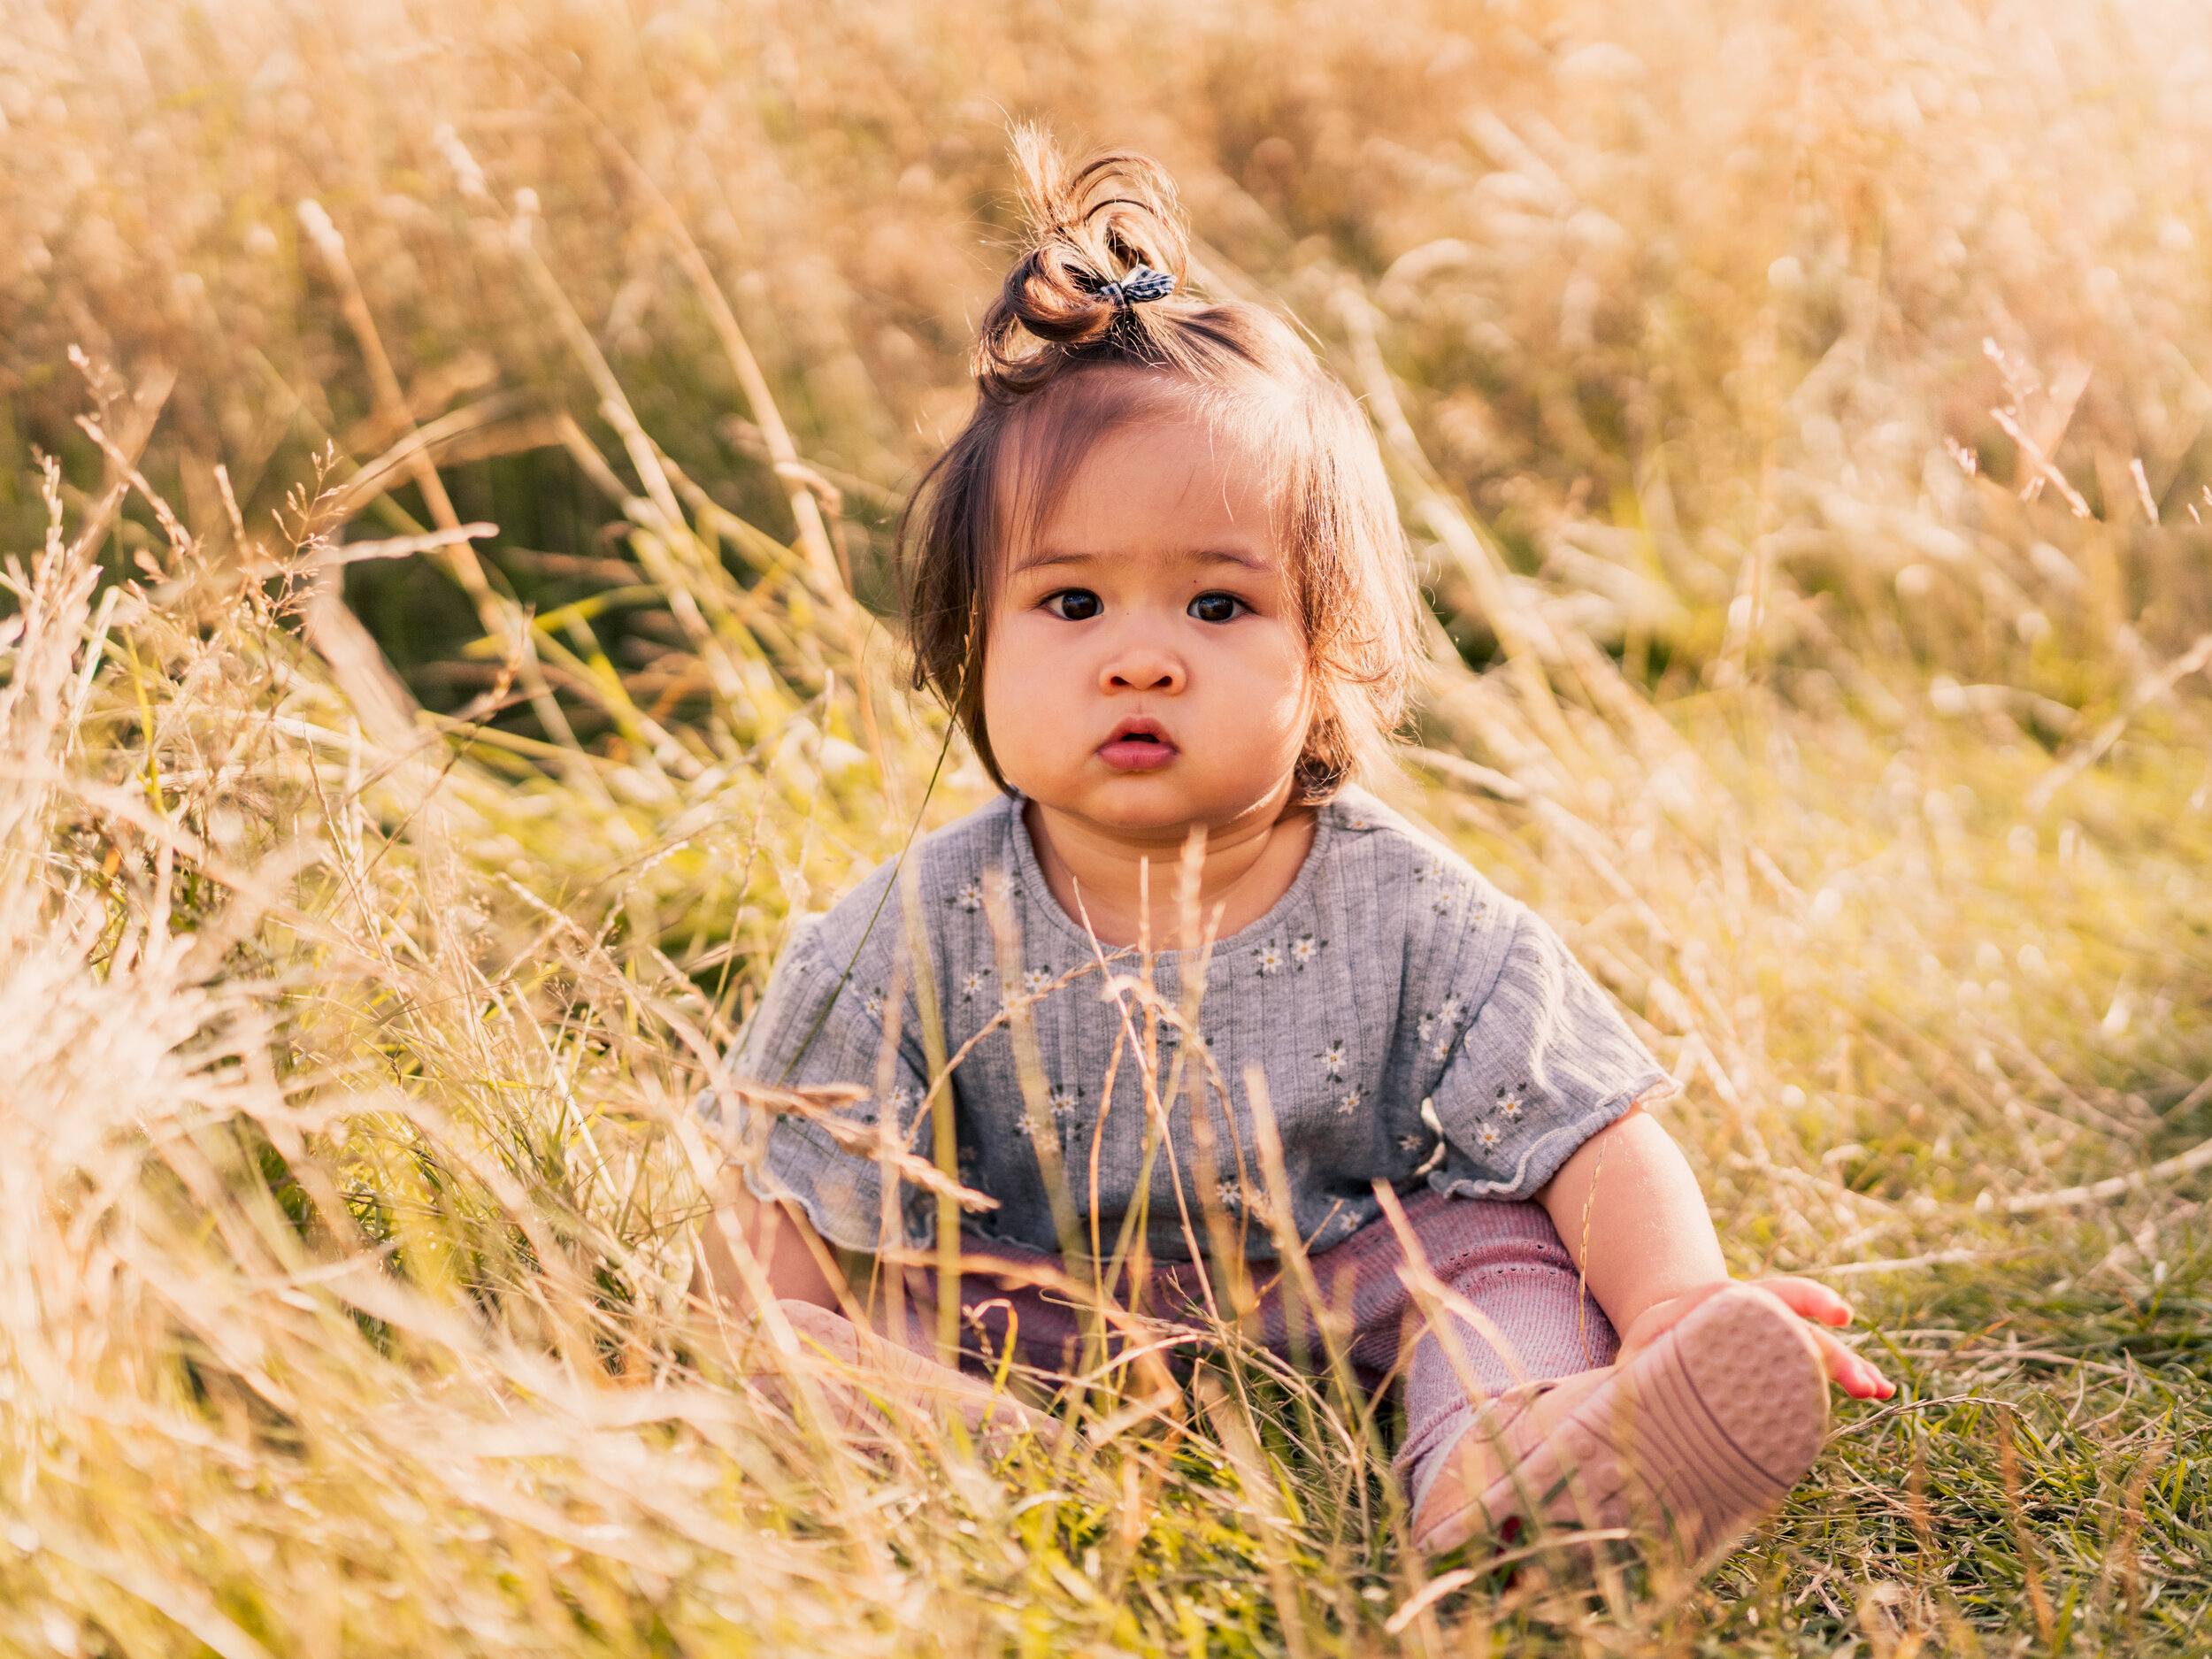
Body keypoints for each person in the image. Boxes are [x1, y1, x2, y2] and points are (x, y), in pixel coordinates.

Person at [694, 131, 1893, 1566]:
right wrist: (778, 1330)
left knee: (1500, 1256)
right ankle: (965, 1442)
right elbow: (776, 1213)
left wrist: (1680, 1303)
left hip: (1339, 1282)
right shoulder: (913, 928)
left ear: (1331, 658)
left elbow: (1592, 1133)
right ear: (972, 640)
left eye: (1217, 608)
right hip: (1025, 1302)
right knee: (837, 1310)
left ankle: (1508, 1459)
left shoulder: (1410, 908)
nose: (1141, 661)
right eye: (1072, 606)